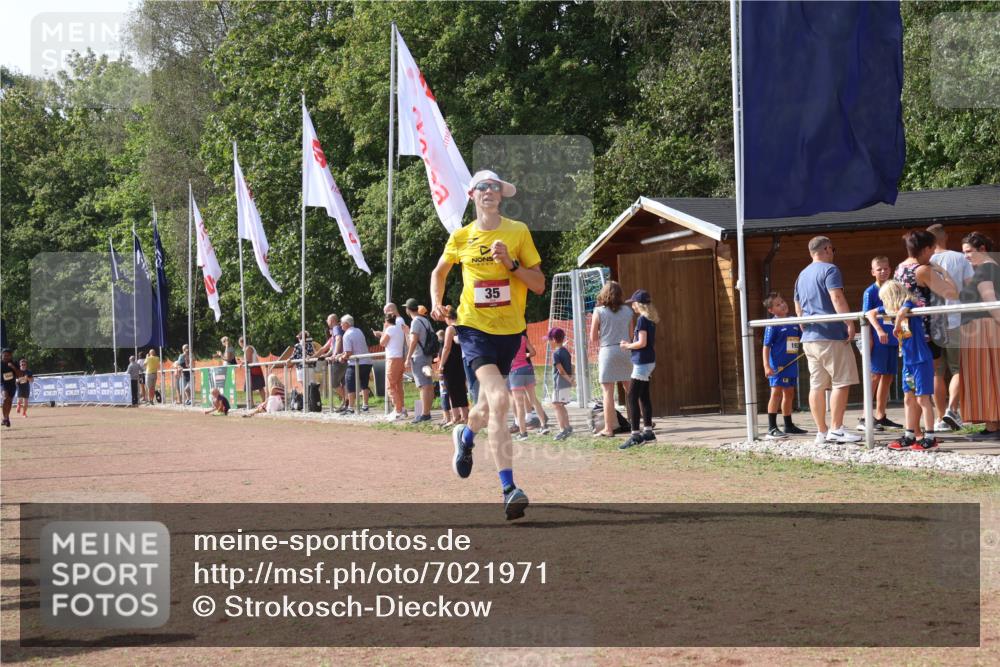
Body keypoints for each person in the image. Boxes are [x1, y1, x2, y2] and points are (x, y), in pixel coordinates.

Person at [430, 169, 544, 520]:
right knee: (500, 398)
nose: (489, 191)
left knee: (484, 410)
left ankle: (465, 437)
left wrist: (510, 264)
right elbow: (439, 272)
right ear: (472, 196)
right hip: (473, 329)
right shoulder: (461, 236)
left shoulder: (517, 231)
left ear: (501, 196)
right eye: (483, 187)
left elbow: (538, 284)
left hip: (510, 332)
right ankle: (509, 488)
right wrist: (437, 301)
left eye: (495, 187)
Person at [793, 236, 861, 444]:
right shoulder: (830, 270)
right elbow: (837, 298)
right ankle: (836, 429)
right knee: (842, 381)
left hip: (810, 337)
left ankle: (821, 431)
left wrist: (802, 323)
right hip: (831, 335)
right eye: (833, 249)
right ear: (827, 249)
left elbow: (797, 304)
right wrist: (849, 322)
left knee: (817, 385)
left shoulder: (801, 275)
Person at [873, 280, 938, 451]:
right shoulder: (890, 310)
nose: (883, 303)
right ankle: (909, 435)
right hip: (908, 362)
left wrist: (895, 326)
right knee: (908, 398)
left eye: (884, 299)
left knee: (923, 398)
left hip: (920, 359)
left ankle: (930, 437)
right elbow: (870, 313)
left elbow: (903, 312)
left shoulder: (909, 303)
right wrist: (879, 329)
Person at [927, 224, 974, 432]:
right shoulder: (959, 258)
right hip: (955, 319)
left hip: (933, 321)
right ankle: (952, 410)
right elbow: (971, 286)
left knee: (938, 372)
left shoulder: (924, 261)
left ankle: (939, 418)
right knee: (958, 369)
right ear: (945, 236)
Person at [959, 232, 1000, 440]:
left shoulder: (985, 269)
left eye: (969, 251)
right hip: (987, 327)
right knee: (992, 375)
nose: (965, 256)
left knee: (985, 375)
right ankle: (993, 425)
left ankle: (993, 428)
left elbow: (989, 300)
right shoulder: (992, 267)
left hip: (982, 329)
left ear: (982, 249)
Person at [858, 257, 903, 432]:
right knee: (874, 376)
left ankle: (880, 415)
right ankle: (864, 417)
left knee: (888, 376)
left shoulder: (894, 289)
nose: (883, 272)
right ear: (873, 272)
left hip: (892, 338)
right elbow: (866, 316)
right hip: (878, 339)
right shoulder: (870, 291)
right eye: (879, 269)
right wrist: (875, 333)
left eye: (885, 268)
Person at [761, 292, 808, 439]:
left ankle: (788, 425)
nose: (782, 305)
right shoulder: (772, 325)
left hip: (791, 364)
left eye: (782, 301)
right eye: (777, 304)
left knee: (789, 393)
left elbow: (804, 336)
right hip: (778, 365)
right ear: (771, 310)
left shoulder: (794, 321)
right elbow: (766, 347)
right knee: (776, 394)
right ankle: (772, 427)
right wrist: (766, 366)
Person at [589, 280, 633, 437]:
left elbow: (593, 337)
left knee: (608, 392)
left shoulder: (599, 311)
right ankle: (642, 422)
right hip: (625, 350)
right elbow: (631, 335)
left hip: (607, 351)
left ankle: (608, 429)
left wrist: (605, 333)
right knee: (631, 390)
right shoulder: (628, 311)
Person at [618, 290, 658, 449]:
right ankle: (648, 432)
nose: (632, 305)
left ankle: (635, 435)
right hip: (648, 361)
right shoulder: (650, 318)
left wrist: (627, 345)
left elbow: (641, 342)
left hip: (642, 363)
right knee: (644, 396)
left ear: (639, 304)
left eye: (633, 303)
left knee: (631, 397)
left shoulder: (642, 319)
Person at [507, 332, 548, 440]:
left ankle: (523, 433)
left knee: (519, 404)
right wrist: (525, 355)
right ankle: (544, 426)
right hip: (527, 368)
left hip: (515, 372)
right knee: (533, 399)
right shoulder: (523, 338)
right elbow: (533, 352)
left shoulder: (505, 339)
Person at [405, 300, 437, 424]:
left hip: (418, 356)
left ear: (408, 309)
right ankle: (427, 412)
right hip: (427, 355)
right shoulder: (426, 321)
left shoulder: (415, 322)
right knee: (428, 384)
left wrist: (408, 357)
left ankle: (425, 414)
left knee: (423, 386)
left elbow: (413, 341)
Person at [437, 307, 469, 428]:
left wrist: (441, 364)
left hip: (450, 364)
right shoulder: (462, 326)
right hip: (460, 362)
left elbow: (446, 347)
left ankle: (455, 417)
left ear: (448, 318)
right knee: (461, 389)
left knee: (451, 390)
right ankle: (465, 416)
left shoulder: (450, 328)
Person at [337, 315, 372, 412]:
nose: (340, 325)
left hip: (355, 363)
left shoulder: (346, 335)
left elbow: (349, 352)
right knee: (364, 384)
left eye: (341, 323)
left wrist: (341, 358)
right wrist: (341, 354)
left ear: (346, 324)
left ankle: (351, 407)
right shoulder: (358, 331)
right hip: (367, 361)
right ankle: (365, 405)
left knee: (350, 384)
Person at [378, 313, 407, 420]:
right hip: (400, 358)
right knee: (398, 385)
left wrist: (384, 331)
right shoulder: (398, 329)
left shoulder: (389, 329)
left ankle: (398, 410)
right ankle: (402, 408)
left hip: (392, 359)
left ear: (386, 321)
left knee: (390, 385)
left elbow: (382, 343)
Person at [548, 328, 574, 440]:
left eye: (549, 340)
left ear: (553, 339)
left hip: (560, 383)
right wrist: (572, 378)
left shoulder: (556, 353)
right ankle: (567, 427)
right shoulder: (565, 351)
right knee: (561, 405)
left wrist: (570, 380)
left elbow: (561, 370)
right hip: (565, 383)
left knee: (556, 405)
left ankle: (562, 429)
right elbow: (572, 366)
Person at [239, 337, 267, 407]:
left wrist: (242, 362)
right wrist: (243, 361)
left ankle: (264, 402)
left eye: (240, 343)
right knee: (250, 387)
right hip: (252, 369)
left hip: (254, 369)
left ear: (242, 343)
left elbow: (249, 361)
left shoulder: (248, 348)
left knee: (259, 386)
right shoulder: (248, 348)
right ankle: (252, 404)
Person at [1, 349, 21, 427]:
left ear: (10, 356)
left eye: (7, 355)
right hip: (3, 384)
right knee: (5, 398)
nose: (5, 357)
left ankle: (6, 417)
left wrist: (13, 367)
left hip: (12, 385)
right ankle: (5, 418)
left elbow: (19, 375)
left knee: (9, 402)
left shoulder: (14, 363)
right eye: (4, 355)